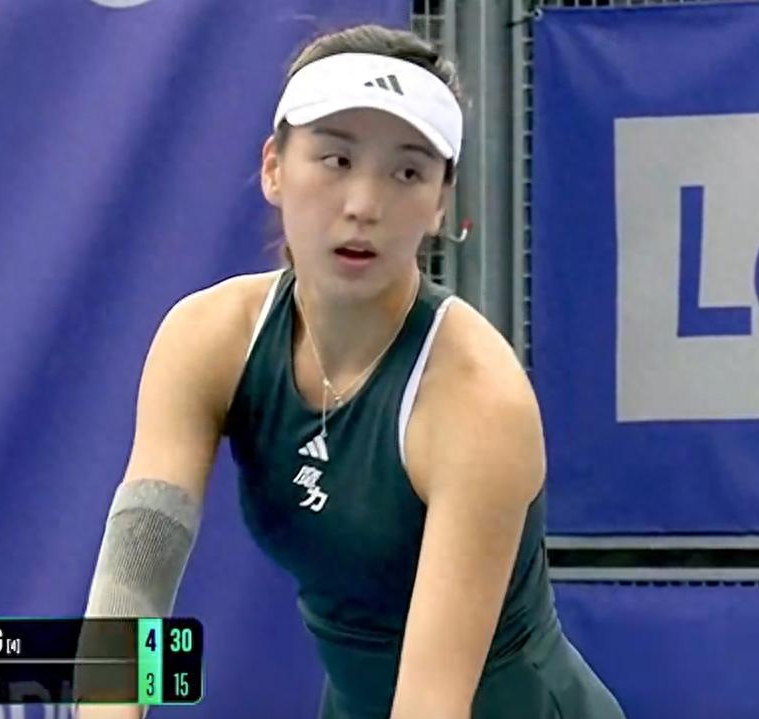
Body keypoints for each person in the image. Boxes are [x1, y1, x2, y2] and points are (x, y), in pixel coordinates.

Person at [78, 23, 626, 719]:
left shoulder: (478, 399)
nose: (364, 204)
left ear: (441, 204)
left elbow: (431, 702)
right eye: (336, 159)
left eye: (407, 172)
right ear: (274, 168)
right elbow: (136, 585)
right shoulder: (206, 337)